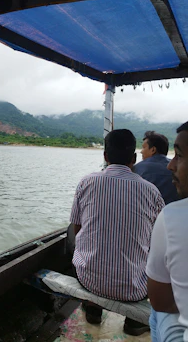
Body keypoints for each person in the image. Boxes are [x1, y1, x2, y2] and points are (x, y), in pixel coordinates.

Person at [70, 129, 164, 335]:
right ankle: (134, 323)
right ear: (134, 158)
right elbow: (160, 241)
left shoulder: (86, 182)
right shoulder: (152, 191)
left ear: (105, 156)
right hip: (134, 288)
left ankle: (93, 310)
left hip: (89, 279)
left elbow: (77, 229)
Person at [146, 122, 188, 342]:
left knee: (158, 312)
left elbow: (161, 301)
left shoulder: (173, 216)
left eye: (179, 156)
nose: (171, 166)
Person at [134, 131, 178, 204]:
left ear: (153, 150)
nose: (141, 151)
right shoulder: (177, 169)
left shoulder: (137, 168)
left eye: (144, 147)